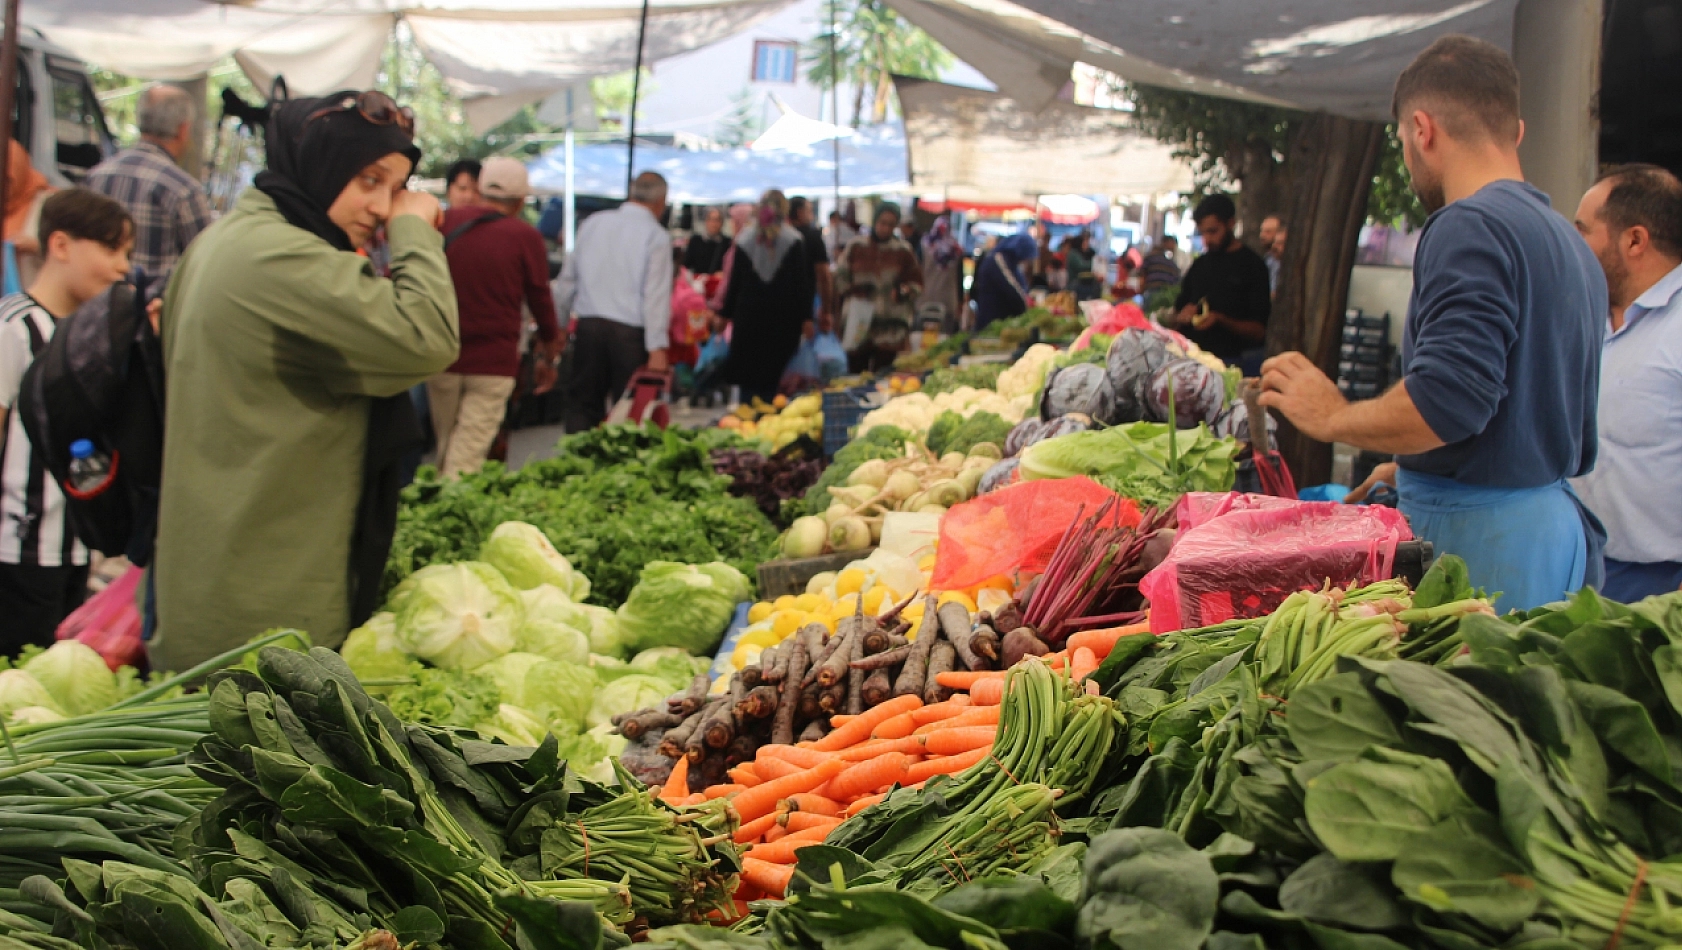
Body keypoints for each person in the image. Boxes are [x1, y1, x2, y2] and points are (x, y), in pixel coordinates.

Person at [1261, 35, 1606, 612]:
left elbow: (1448, 403)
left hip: (1484, 550)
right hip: (1544, 535)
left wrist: (1334, 416)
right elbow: (1518, 405)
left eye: (1401, 141)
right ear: (1514, 131)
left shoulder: (1467, 225)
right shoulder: (1567, 240)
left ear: (1422, 129)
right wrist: (1412, 464)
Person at [150, 90, 458, 671]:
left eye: (395, 189)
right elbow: (427, 338)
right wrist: (416, 232)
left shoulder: (227, 240)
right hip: (259, 605)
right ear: (317, 163)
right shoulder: (279, 258)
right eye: (369, 180)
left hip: (221, 580)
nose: (384, 206)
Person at [0, 190, 132, 655]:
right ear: (61, 245)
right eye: (110, 249)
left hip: (76, 548)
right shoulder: (14, 328)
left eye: (127, 254)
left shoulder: (93, 338)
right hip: (17, 550)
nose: (122, 266)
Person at [1571, 164, 1682, 601]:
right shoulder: (1585, 318)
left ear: (1634, 240)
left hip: (1657, 585)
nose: (1573, 246)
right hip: (1577, 565)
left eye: (1583, 231)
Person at [429, 157, 562, 477]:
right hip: (494, 361)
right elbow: (540, 298)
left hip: (440, 355)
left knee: (448, 445)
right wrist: (550, 345)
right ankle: (447, 516)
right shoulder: (524, 236)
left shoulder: (443, 222)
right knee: (468, 451)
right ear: (520, 201)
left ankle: (432, 508)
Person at [553, 171, 672, 432]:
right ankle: (620, 470)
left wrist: (559, 325)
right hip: (629, 335)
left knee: (582, 405)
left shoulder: (593, 223)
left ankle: (576, 466)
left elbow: (567, 282)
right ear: (661, 201)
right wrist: (657, 348)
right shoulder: (657, 236)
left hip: (589, 328)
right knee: (630, 412)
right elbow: (655, 296)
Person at [84, 85, 214, 294]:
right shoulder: (183, 190)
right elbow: (205, 263)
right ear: (182, 130)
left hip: (96, 306)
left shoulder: (95, 176)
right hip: (152, 311)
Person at [719, 190, 812, 402]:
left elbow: (735, 284)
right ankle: (771, 424)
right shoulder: (794, 240)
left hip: (748, 321)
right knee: (775, 384)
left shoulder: (745, 240)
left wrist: (724, 316)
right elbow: (801, 285)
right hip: (782, 323)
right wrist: (807, 318)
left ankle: (745, 424)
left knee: (748, 384)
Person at [1172, 194, 1271, 365]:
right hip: (1192, 361)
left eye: (1213, 231)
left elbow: (1259, 330)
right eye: (1203, 233)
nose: (1207, 240)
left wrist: (1220, 320)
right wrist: (1182, 316)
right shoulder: (1199, 265)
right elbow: (1177, 312)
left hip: (1236, 362)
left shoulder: (1253, 265)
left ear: (1230, 223)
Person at [834, 203, 922, 372]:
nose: (885, 228)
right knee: (855, 373)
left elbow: (916, 283)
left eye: (890, 224)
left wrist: (903, 292)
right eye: (882, 222)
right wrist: (854, 289)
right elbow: (840, 278)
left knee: (883, 375)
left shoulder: (903, 251)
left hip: (890, 327)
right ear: (875, 221)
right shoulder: (856, 246)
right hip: (859, 323)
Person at [4, 141, 52, 291]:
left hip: (31, 303)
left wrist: (36, 246)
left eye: (7, 180)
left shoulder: (48, 204)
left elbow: (75, 255)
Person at [971, 233, 1036, 331]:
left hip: (1001, 323)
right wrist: (1027, 307)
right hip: (991, 324)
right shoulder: (998, 260)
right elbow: (1013, 289)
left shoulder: (1010, 263)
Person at [789, 196, 834, 330]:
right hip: (808, 306)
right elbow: (824, 276)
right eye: (810, 210)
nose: (812, 215)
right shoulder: (812, 237)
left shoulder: (780, 238)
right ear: (800, 212)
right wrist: (826, 311)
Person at [918, 215, 965, 329]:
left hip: (925, 297)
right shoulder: (956, 250)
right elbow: (960, 279)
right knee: (944, 336)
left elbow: (917, 271)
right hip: (948, 299)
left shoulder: (924, 245)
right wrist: (960, 302)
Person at [684, 207, 729, 275]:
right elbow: (687, 265)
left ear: (722, 223)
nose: (714, 223)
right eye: (711, 220)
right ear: (706, 221)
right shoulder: (696, 241)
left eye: (717, 220)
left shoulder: (727, 243)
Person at [1063, 232, 1101, 300]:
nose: (1087, 245)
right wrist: (1095, 263)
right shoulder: (1073, 254)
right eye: (1085, 243)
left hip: (1083, 285)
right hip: (1075, 285)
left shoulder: (1084, 253)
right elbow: (1081, 266)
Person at [1259, 214, 1284, 295]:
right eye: (1262, 231)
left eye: (1268, 232)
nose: (1262, 235)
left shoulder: (1282, 262)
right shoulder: (1267, 259)